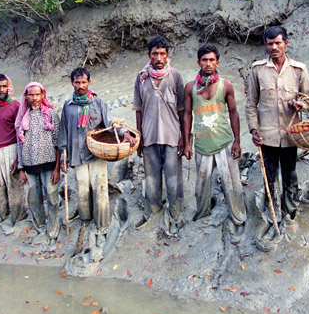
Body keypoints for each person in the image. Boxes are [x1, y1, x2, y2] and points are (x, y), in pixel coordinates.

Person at [246, 26, 309, 244]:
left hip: (291, 135)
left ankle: (291, 213)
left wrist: (301, 104)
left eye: (278, 43)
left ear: (286, 43)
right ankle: (272, 213)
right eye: (269, 43)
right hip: (266, 136)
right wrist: (253, 129)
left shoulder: (298, 70)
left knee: (290, 175)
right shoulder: (257, 70)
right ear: (265, 45)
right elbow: (251, 104)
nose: (274, 47)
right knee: (269, 177)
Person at [59, 68, 135, 260]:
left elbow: (110, 122)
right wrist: (63, 155)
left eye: (83, 82)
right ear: (72, 84)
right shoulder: (68, 106)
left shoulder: (98, 102)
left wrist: (124, 133)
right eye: (77, 82)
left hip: (95, 154)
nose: (80, 86)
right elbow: (63, 131)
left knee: (100, 188)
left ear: (89, 82)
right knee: (82, 189)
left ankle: (102, 223)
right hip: (76, 155)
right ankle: (86, 220)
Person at [183, 44, 246, 243]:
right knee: (201, 184)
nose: (208, 63)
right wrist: (186, 142)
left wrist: (237, 141)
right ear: (198, 62)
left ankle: (238, 216)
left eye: (212, 60)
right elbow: (186, 115)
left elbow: (234, 112)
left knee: (232, 182)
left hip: (224, 141)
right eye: (204, 60)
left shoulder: (225, 85)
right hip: (202, 143)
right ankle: (203, 212)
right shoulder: (190, 87)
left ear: (217, 62)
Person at [133, 36, 186, 236]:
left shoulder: (176, 76)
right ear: (149, 55)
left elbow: (182, 110)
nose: (159, 57)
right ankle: (153, 212)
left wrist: (184, 136)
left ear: (167, 55)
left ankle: (175, 212)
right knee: (151, 178)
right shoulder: (141, 77)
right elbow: (138, 110)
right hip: (148, 136)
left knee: (173, 178)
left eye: (162, 53)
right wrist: (139, 138)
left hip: (172, 136)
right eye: (155, 53)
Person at [15, 82, 61, 247]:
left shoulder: (51, 114)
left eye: (37, 94)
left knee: (52, 195)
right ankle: (40, 226)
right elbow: (19, 144)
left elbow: (58, 142)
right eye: (31, 95)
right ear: (26, 97)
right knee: (34, 198)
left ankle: (54, 228)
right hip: (30, 165)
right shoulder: (22, 118)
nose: (34, 98)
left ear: (43, 95)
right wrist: (21, 169)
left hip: (49, 164)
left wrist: (57, 168)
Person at [0, 74, 25, 233]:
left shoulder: (16, 106)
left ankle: (18, 216)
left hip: (11, 148)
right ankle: (4, 215)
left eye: (4, 86)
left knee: (13, 184)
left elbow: (20, 133)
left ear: (9, 87)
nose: (1, 90)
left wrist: (18, 158)